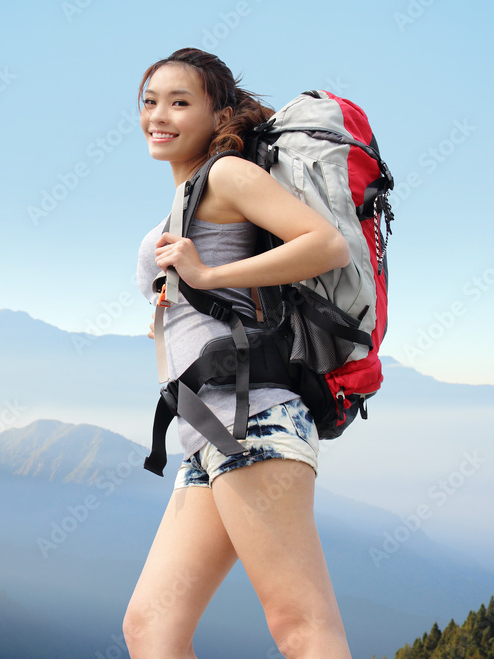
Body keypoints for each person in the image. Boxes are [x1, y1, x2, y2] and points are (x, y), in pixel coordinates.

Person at [124, 48, 354, 659]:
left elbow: (328, 245)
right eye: (149, 102)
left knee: (300, 626)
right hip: (205, 429)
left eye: (179, 102)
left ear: (217, 113)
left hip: (251, 420)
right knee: (151, 628)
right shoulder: (183, 199)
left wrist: (202, 274)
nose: (159, 115)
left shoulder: (227, 174)